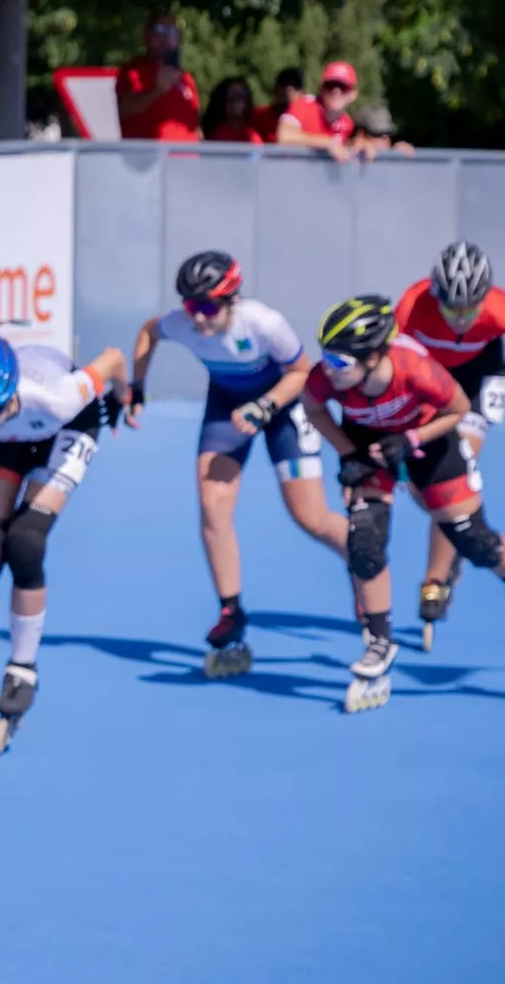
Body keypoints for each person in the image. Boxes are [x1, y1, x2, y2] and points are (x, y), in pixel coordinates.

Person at [301, 296, 505, 714]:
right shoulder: (324, 379)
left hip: (428, 437)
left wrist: (410, 440)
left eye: (339, 361)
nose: (328, 368)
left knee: (472, 539)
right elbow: (314, 410)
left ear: (374, 357)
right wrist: (348, 453)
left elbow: (459, 409)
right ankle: (379, 641)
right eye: (326, 356)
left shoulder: (415, 369)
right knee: (365, 539)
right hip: (367, 443)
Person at [123, 252, 347, 674]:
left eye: (209, 308)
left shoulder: (264, 324)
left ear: (232, 301)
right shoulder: (181, 324)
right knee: (212, 508)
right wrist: (137, 388)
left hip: (284, 406)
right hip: (227, 406)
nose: (199, 318)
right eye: (192, 306)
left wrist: (264, 407)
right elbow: (150, 331)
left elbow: (302, 373)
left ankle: (362, 558)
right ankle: (231, 611)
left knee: (310, 518)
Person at [0, 326, 127, 752]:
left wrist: (126, 396)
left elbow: (113, 357)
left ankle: (22, 668)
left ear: (10, 392)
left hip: (66, 427)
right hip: (7, 443)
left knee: (25, 542)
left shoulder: (59, 397)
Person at [395, 243, 505, 649]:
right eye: (451, 308)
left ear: (484, 298)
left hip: (479, 375)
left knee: (453, 473)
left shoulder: (503, 309)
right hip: (431, 377)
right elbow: (394, 360)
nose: (459, 318)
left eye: (469, 308)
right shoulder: (411, 306)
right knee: (421, 483)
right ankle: (450, 550)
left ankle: (435, 579)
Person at [115, 13, 201, 142]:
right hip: (149, 152)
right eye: (159, 29)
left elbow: (193, 123)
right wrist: (156, 91)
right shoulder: (134, 71)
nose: (166, 36)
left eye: (172, 30)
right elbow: (124, 108)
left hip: (187, 154)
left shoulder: (186, 78)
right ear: (146, 34)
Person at [273, 61, 363, 161]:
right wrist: (326, 142)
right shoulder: (304, 105)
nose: (336, 91)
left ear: (353, 94)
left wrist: (362, 146)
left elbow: (343, 148)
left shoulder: (347, 122)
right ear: (322, 89)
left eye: (343, 87)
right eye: (331, 85)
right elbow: (284, 136)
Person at [201, 77, 266, 143]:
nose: (236, 102)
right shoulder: (216, 134)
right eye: (232, 97)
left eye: (241, 96)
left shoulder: (252, 136)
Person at [253, 68, 305, 142]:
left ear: (302, 92)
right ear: (275, 88)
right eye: (284, 84)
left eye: (295, 86)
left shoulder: (310, 117)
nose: (288, 91)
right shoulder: (259, 115)